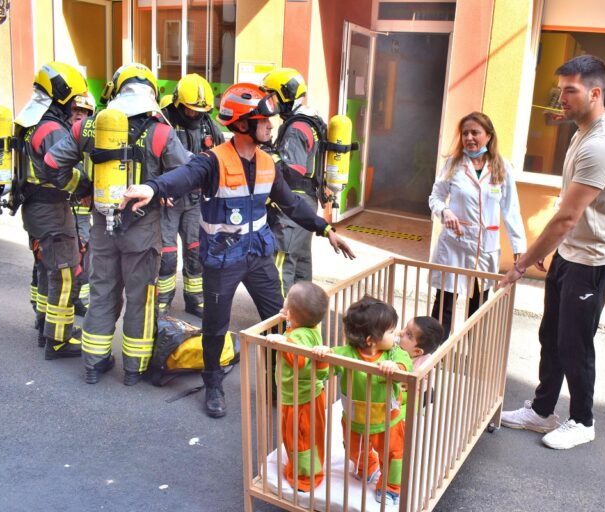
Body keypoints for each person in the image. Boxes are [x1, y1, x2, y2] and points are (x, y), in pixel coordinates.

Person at [119, 82, 355, 418]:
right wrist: (151, 187)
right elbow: (182, 177)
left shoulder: (268, 164)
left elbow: (291, 204)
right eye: (265, 121)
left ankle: (278, 383)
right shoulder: (212, 161)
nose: (272, 126)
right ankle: (213, 383)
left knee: (278, 322)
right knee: (216, 327)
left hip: (258, 255)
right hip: (223, 258)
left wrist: (326, 229)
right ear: (244, 124)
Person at [498, 55, 605, 450]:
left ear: (594, 92)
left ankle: (583, 421)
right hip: (572, 253)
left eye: (570, 91)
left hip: (593, 261)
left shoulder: (601, 145)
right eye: (560, 91)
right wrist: (551, 249)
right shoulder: (582, 132)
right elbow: (568, 215)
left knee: (575, 343)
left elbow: (566, 217)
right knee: (550, 335)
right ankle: (542, 411)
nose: (562, 99)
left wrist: (520, 263)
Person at [44, 62, 190, 385]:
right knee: (141, 298)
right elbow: (186, 175)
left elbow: (52, 162)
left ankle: (93, 365)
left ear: (116, 89)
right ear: (151, 92)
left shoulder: (91, 126)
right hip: (141, 231)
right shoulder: (160, 131)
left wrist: (80, 187)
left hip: (101, 229)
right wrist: (162, 191)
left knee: (102, 293)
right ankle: (134, 372)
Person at [14, 61, 90, 359]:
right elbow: (61, 170)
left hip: (34, 209)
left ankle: (45, 324)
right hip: (51, 210)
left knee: (47, 268)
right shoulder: (53, 129)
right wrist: (87, 187)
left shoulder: (31, 122)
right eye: (72, 101)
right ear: (62, 96)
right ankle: (59, 340)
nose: (75, 106)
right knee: (65, 272)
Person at [428, 111, 527, 339]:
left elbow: (511, 210)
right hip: (454, 245)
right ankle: (432, 355)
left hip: (485, 249)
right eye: (465, 133)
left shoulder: (502, 167)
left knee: (478, 307)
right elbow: (435, 197)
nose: (469, 138)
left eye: (475, 132)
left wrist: (519, 249)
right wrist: (445, 211)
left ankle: (473, 359)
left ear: (489, 136)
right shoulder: (453, 164)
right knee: (445, 305)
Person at [313, 297, 412, 507]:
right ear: (370, 340)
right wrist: (323, 355)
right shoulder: (347, 354)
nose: (397, 336)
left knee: (394, 455)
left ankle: (391, 487)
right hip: (355, 420)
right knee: (354, 449)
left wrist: (396, 368)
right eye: (391, 332)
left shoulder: (394, 354)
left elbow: (406, 366)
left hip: (389, 421)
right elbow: (324, 371)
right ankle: (367, 467)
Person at [157, 73, 225, 318]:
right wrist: (161, 187)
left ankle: (194, 300)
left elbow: (220, 156)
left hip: (195, 200)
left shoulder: (208, 124)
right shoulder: (163, 120)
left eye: (200, 111)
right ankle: (162, 302)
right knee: (166, 254)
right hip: (168, 200)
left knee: (196, 250)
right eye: (190, 110)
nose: (195, 115)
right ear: (177, 104)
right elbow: (153, 160)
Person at [262, 68, 328, 296]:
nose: (270, 103)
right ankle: (304, 317)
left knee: (282, 262)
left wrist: (268, 155)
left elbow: (293, 171)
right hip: (307, 201)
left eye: (272, 96)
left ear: (285, 94)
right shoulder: (311, 120)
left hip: (294, 202)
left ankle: (279, 321)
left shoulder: (295, 128)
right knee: (301, 264)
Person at [265, 281, 330, 491]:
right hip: (306, 396)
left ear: (291, 313)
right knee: (304, 438)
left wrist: (281, 342)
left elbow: (299, 358)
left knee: (300, 440)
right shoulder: (311, 327)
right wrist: (289, 323)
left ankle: (306, 479)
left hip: (300, 401)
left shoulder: (295, 340)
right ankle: (306, 469)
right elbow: (299, 334)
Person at [69, 93, 97, 317]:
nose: (79, 114)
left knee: (86, 251)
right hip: (70, 204)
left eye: (84, 111)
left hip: (87, 203)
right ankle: (76, 298)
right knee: (76, 251)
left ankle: (81, 298)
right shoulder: (64, 135)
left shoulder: (90, 137)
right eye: (76, 110)